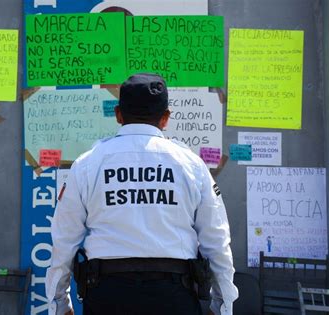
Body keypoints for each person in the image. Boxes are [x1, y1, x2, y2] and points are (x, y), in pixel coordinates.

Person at [46, 73, 238, 315]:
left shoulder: (88, 164)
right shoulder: (191, 165)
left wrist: (60, 305)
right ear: (165, 118)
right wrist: (223, 306)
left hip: (108, 296)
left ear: (118, 114)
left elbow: (64, 241)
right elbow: (216, 241)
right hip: (173, 298)